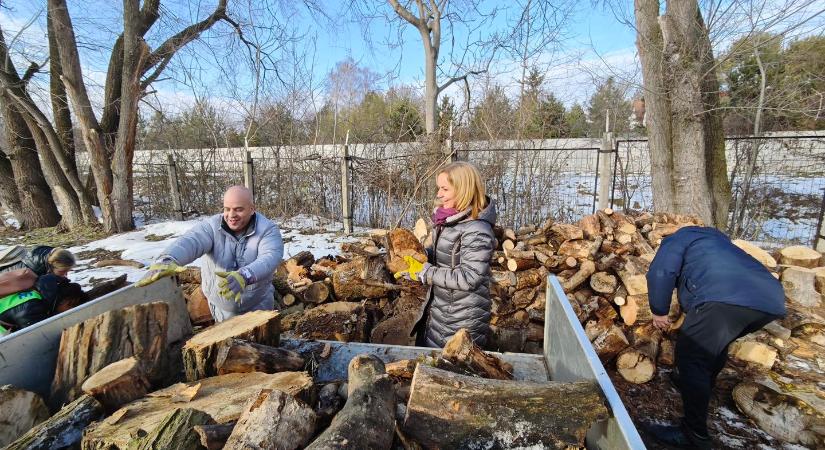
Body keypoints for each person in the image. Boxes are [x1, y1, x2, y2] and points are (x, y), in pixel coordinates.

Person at [642, 226, 785, 449]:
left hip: (723, 298)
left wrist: (659, 310)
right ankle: (697, 386)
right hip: (770, 302)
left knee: (692, 357)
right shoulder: (720, 244)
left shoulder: (680, 238)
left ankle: (694, 435)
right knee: (713, 347)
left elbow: (661, 271)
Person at [137, 185, 284, 322]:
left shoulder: (267, 230)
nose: (231, 215)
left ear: (252, 209)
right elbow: (191, 241)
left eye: (238, 209)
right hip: (219, 309)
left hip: (258, 307)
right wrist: (169, 259)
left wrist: (245, 275)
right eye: (227, 209)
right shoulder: (212, 227)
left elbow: (270, 257)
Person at [395, 161, 497, 348]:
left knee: (448, 364)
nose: (439, 194)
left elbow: (470, 277)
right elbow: (445, 256)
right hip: (443, 310)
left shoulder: (477, 229)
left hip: (462, 319)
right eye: (439, 188)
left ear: (464, 190)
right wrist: (420, 257)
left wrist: (426, 272)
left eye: (445, 189)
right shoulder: (449, 220)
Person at [0, 246, 78, 334]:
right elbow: (27, 303)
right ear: (52, 265)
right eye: (62, 272)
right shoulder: (28, 275)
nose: (65, 275)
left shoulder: (45, 260)